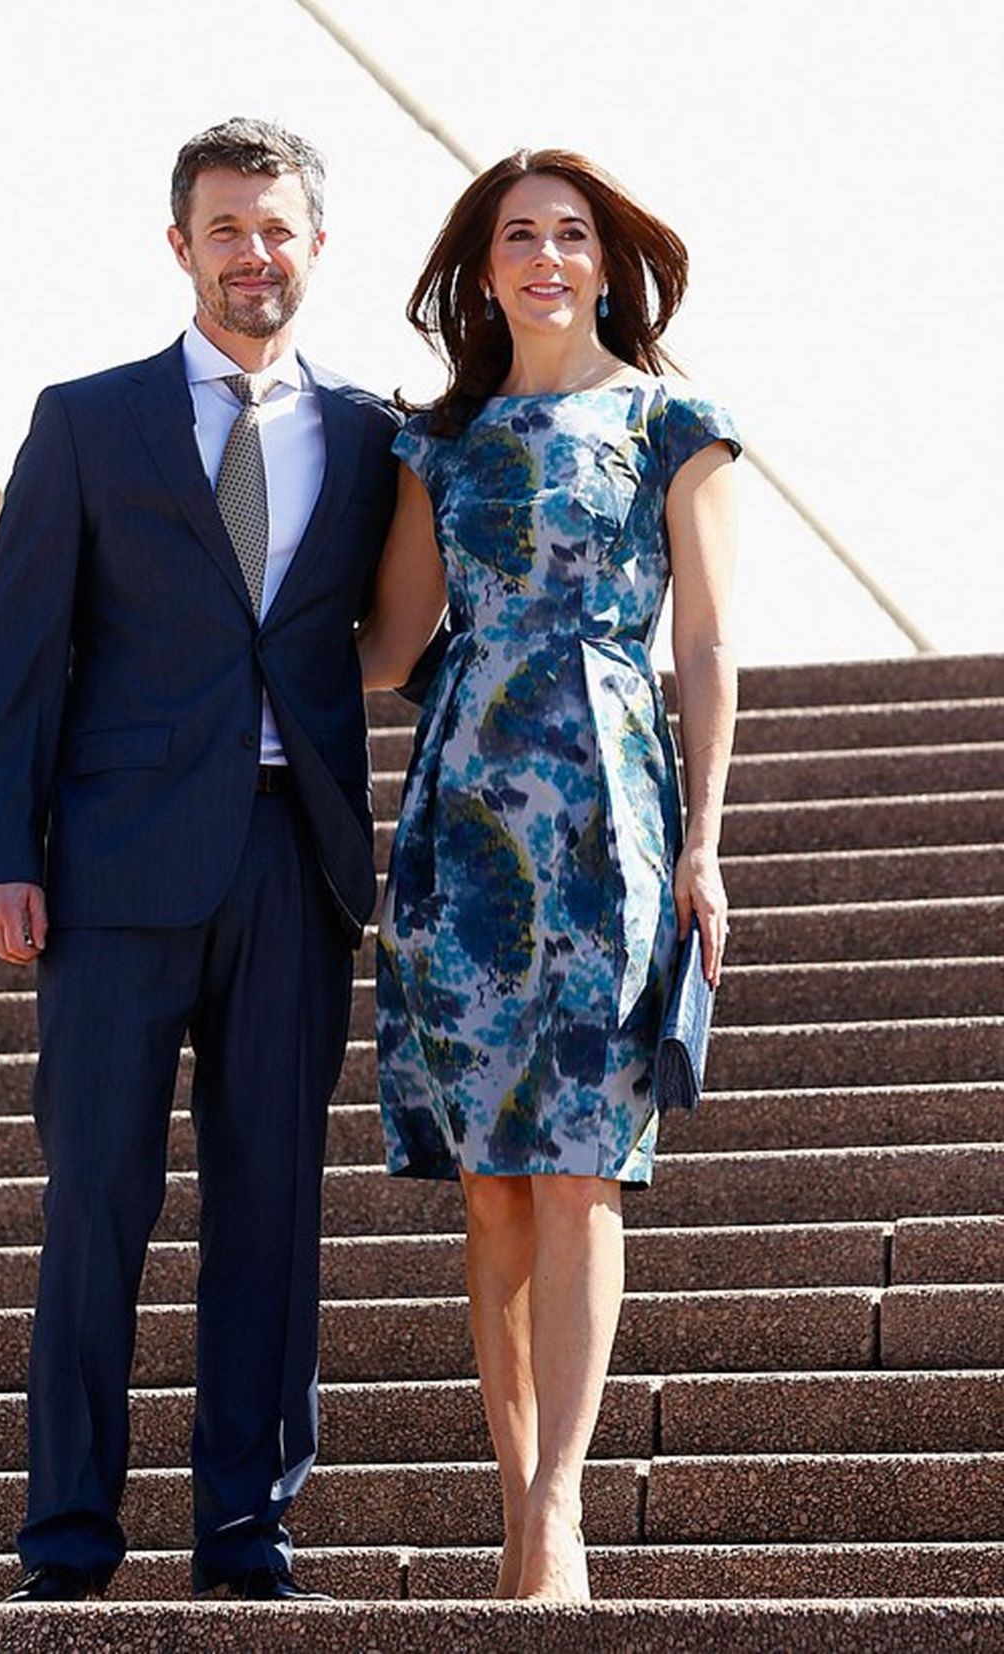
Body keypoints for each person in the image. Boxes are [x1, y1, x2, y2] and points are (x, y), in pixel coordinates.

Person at [0, 117, 399, 1603]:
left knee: (272, 1211)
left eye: (278, 229)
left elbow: (396, 632)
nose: (253, 254)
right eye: (226, 229)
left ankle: (246, 1539)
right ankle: (67, 1541)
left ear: (315, 247)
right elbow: (17, 652)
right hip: (116, 870)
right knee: (97, 1201)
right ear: (181, 246)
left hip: (294, 863)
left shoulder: (376, 431)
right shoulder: (87, 420)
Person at [357, 149, 740, 1603]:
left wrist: (703, 839)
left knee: (582, 1168)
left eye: (570, 233)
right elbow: (389, 648)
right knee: (493, 1186)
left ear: (604, 259)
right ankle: (515, 1500)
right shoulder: (440, 439)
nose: (545, 255)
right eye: (517, 234)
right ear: (480, 267)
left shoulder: (668, 417)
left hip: (611, 810)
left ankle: (560, 1511)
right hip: (462, 818)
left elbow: (703, 645)